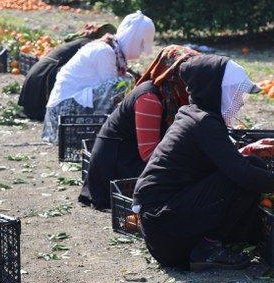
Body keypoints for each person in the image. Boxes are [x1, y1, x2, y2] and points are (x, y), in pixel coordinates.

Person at [132, 54, 274, 270]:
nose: (239, 100)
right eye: (234, 92)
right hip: (166, 229)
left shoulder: (194, 115)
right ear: (214, 90)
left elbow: (208, 161)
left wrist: (249, 150)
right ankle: (206, 249)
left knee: (252, 165)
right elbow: (242, 174)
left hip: (163, 225)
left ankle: (214, 243)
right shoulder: (203, 122)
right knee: (247, 175)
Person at [79, 45, 199, 210]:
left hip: (133, 160)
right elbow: (149, 155)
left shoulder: (174, 95)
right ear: (172, 72)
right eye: (187, 73)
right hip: (117, 168)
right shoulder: (150, 97)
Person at [41, 12, 156, 143]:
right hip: (62, 115)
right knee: (122, 84)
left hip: (68, 110)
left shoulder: (113, 52)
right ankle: (107, 134)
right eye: (141, 45)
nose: (141, 51)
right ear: (133, 39)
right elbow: (114, 95)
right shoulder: (105, 52)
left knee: (126, 81)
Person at [17, 23, 117, 121]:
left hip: (38, 71)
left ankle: (36, 110)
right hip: (45, 72)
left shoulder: (84, 41)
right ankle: (41, 111)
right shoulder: (90, 45)